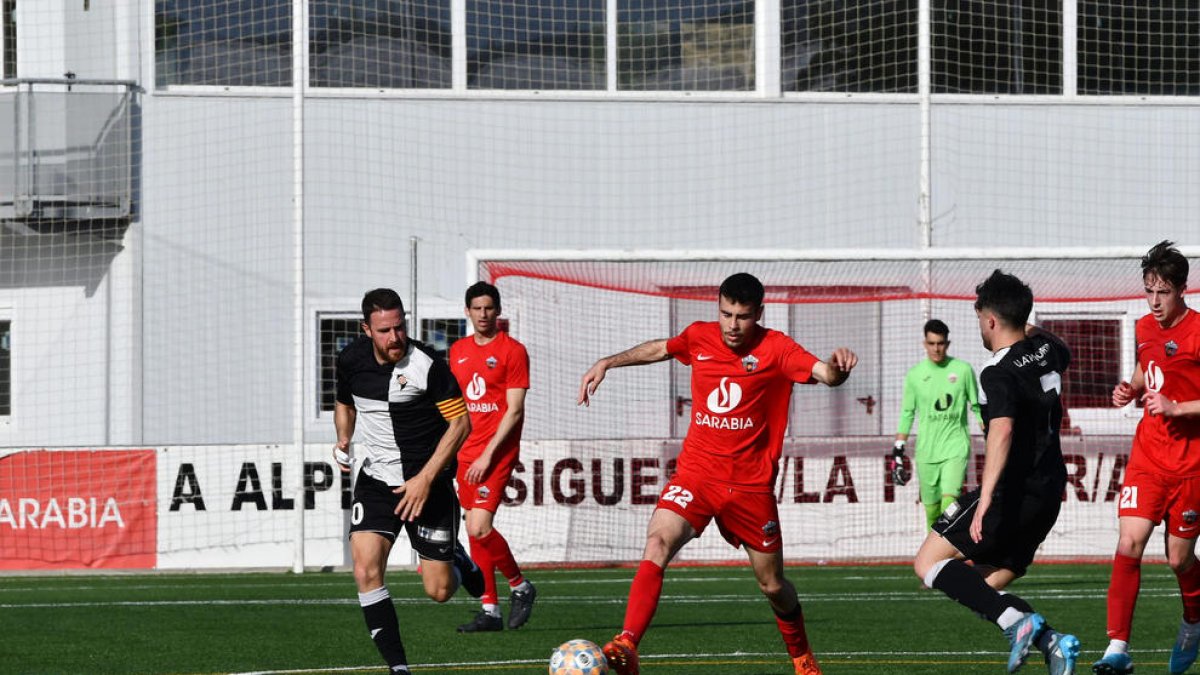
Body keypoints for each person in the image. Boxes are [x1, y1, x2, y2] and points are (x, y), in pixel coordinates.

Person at [577, 272, 858, 675]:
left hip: (748, 487)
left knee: (772, 585)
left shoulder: (777, 347)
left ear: (758, 313)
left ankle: (802, 657)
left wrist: (839, 369)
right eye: (726, 314)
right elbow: (661, 348)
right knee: (657, 541)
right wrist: (608, 361)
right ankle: (627, 643)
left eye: (742, 316)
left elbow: (824, 374)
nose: (731, 325)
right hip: (697, 475)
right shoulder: (699, 336)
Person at [912, 270, 1080, 675]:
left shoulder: (996, 371)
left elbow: (1001, 429)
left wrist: (985, 498)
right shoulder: (1048, 349)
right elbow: (1050, 343)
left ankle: (1018, 624)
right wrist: (1023, 321)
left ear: (990, 320)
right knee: (981, 586)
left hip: (1013, 491)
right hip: (1049, 492)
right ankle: (1052, 643)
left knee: (927, 563)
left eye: (979, 319)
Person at [333, 288, 485, 675]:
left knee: (438, 592)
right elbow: (345, 403)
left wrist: (424, 478)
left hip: (428, 485)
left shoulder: (427, 366)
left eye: (400, 327)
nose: (395, 337)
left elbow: (460, 423)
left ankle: (458, 561)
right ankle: (398, 668)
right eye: (385, 330)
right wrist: (343, 439)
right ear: (366, 329)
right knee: (365, 570)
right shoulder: (350, 360)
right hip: (377, 481)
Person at [1094, 241, 1200, 675]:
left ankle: (1194, 621)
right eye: (1148, 290)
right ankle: (1117, 648)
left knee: (1178, 559)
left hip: (1191, 464)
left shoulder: (1198, 331)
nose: (1154, 302)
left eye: (1163, 292)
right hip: (1148, 458)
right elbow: (1146, 369)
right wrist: (1130, 389)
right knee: (1128, 543)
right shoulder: (1142, 327)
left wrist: (1178, 408)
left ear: (1182, 290)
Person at [448, 281, 537, 632]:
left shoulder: (513, 351)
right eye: (477, 308)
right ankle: (490, 610)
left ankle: (521, 586)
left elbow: (514, 410)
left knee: (479, 525)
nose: (483, 314)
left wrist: (487, 455)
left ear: (498, 311)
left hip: (496, 453)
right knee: (474, 531)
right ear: (467, 311)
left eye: (489, 308)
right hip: (466, 453)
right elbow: (456, 407)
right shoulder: (457, 351)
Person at [892, 319, 983, 530]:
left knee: (949, 503)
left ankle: (948, 552)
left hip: (955, 446)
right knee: (932, 511)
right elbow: (907, 413)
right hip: (926, 451)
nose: (936, 348)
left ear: (947, 344)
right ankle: (935, 559)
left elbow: (977, 407)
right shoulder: (915, 375)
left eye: (940, 343)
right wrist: (898, 448)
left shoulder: (962, 371)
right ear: (925, 343)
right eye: (931, 343)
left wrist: (991, 434)